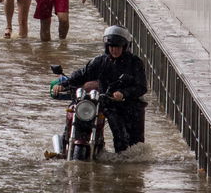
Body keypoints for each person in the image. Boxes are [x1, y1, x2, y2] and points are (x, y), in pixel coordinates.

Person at [52, 25, 148, 153]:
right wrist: (63, 85)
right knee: (75, 110)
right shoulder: (100, 61)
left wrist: (123, 93)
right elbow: (82, 74)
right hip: (104, 102)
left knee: (128, 144)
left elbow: (141, 87)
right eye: (111, 46)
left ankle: (122, 159)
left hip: (128, 105)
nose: (114, 50)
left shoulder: (135, 63)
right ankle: (65, 143)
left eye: (118, 47)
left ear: (125, 46)